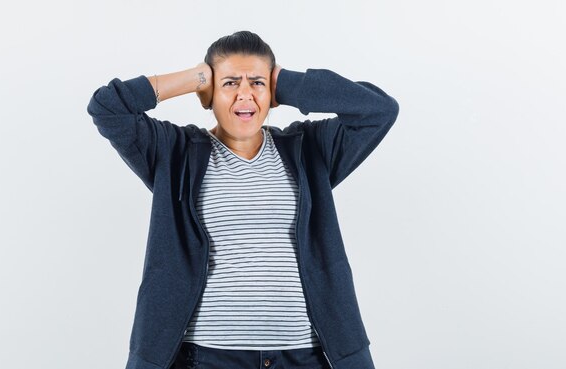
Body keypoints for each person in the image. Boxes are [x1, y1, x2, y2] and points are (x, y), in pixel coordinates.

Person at [87, 31, 399, 369]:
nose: (245, 95)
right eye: (230, 83)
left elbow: (378, 110)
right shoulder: (173, 152)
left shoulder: (309, 149)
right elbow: (108, 107)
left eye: (258, 84)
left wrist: (286, 82)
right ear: (209, 94)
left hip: (302, 357)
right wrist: (197, 77)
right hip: (205, 358)